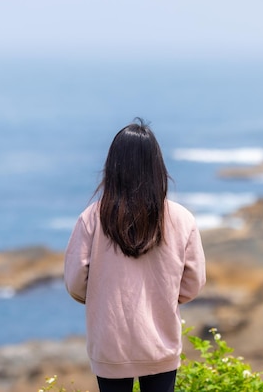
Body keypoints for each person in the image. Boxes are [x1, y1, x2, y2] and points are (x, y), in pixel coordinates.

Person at [64, 118, 206, 392]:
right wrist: (163, 297)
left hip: (110, 344)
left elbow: (75, 282)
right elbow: (193, 282)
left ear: (113, 166)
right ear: (157, 167)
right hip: (160, 343)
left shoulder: (92, 218)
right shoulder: (181, 219)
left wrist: (100, 297)